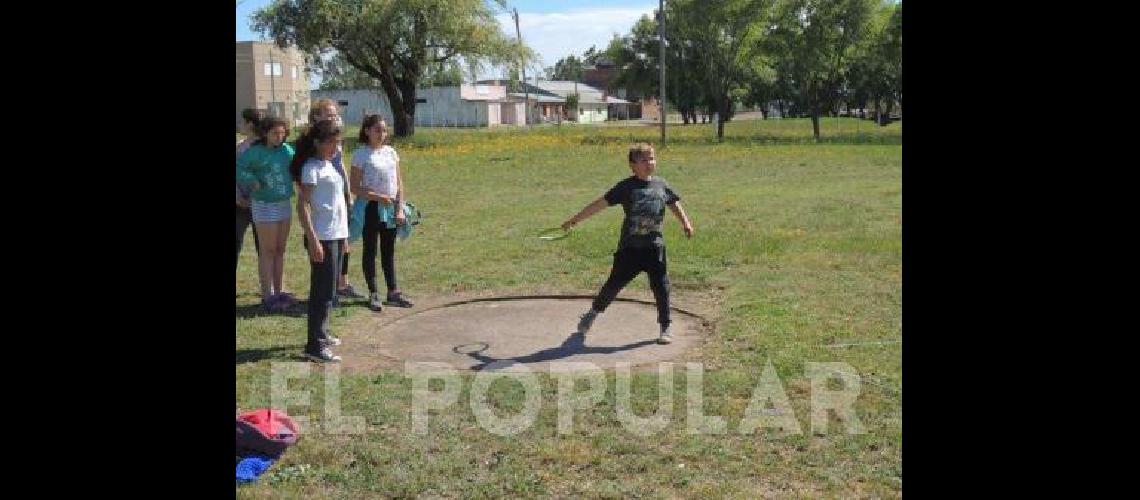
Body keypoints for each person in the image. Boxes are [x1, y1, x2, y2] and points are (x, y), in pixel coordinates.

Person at [560, 143, 694, 344]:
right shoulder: (626, 187)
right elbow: (600, 204)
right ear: (632, 165)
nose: (650, 163)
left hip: (654, 247)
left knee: (662, 287)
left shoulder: (661, 184)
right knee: (613, 286)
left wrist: (686, 223)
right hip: (630, 249)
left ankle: (665, 327)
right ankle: (592, 314)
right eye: (644, 160)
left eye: (652, 159)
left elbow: (673, 202)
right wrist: (575, 220)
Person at [291, 119, 348, 363]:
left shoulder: (328, 164)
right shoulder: (311, 167)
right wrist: (313, 239)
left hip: (335, 234)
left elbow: (337, 204)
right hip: (322, 236)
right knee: (322, 292)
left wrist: (344, 237)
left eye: (338, 142)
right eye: (332, 143)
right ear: (318, 143)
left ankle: (322, 333)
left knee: (330, 290)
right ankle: (314, 345)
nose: (336, 147)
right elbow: (302, 206)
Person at [349, 114, 414, 311]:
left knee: (389, 251)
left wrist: (399, 207)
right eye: (377, 129)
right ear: (367, 131)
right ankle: (373, 293)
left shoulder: (391, 152)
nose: (382, 134)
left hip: (391, 208)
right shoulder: (361, 154)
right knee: (370, 250)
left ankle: (393, 292)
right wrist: (378, 197)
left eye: (384, 130)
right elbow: (355, 187)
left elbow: (399, 182)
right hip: (370, 208)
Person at [303, 99, 361, 304]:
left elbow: (341, 167)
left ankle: (341, 283)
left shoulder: (335, 140)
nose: (333, 117)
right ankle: (328, 288)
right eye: (328, 114)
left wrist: (348, 193)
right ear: (316, 116)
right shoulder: (315, 142)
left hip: (337, 189)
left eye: (335, 114)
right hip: (322, 195)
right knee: (325, 247)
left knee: (344, 242)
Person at [236, 116, 296, 312]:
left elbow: (297, 166)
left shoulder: (286, 151)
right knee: (267, 250)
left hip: (283, 204)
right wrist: (252, 180)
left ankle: (279, 291)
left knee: (280, 250)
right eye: (275, 134)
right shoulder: (255, 152)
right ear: (265, 133)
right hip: (264, 205)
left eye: (282, 134)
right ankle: (267, 295)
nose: (279, 138)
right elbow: (239, 168)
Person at [236, 108, 264, 276]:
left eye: (242, 121)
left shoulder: (265, 148)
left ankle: (270, 286)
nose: (240, 124)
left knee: (264, 247)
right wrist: (238, 198)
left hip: (261, 204)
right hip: (239, 205)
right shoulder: (239, 147)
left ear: (250, 124)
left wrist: (254, 199)